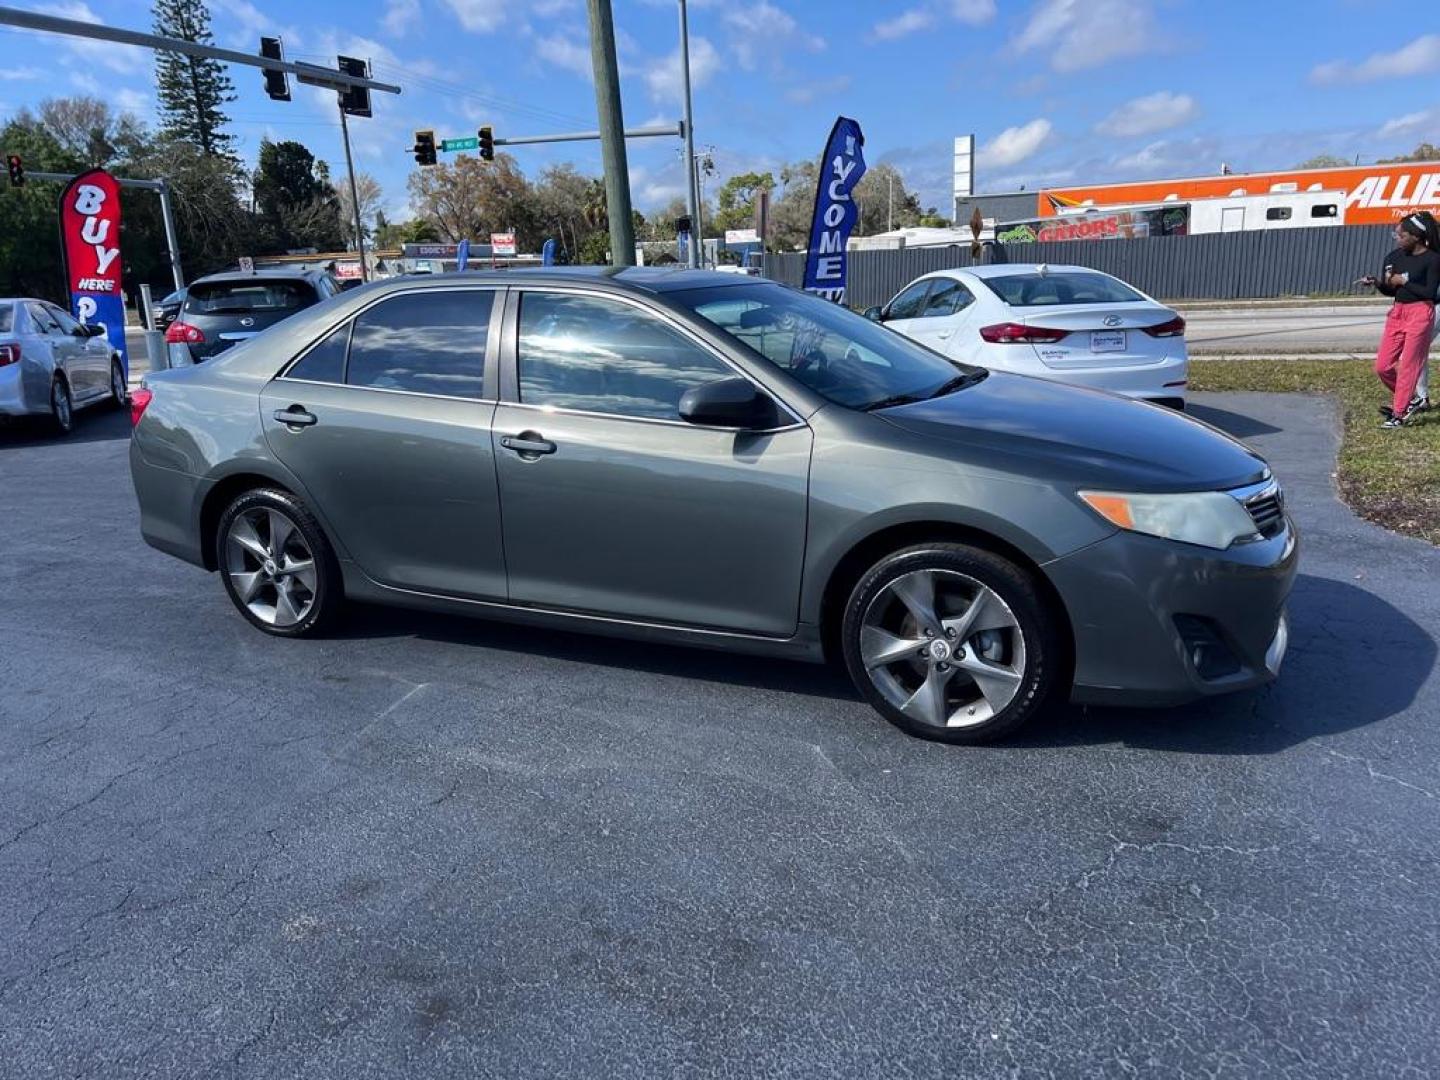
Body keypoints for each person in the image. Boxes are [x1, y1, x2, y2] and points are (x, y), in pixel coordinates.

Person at [1363, 211, 1440, 428]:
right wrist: (1378, 283)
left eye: (1401, 235)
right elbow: (1391, 290)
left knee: (1408, 365)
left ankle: (1399, 414)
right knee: (1383, 366)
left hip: (1421, 312)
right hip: (1398, 312)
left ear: (1415, 237)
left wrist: (1403, 282)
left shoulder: (1433, 259)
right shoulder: (1394, 257)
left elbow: (1429, 292)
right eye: (1396, 234)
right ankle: (1410, 399)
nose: (1397, 238)